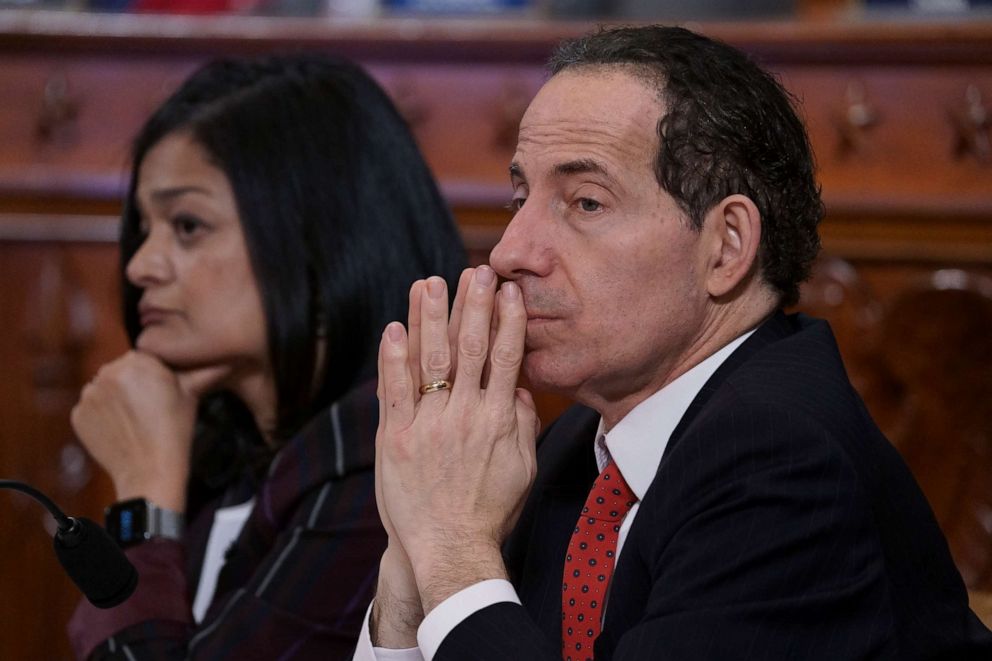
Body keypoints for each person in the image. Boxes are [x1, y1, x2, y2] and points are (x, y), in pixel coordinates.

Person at [361, 25, 992, 660]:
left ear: (726, 246)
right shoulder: (574, 448)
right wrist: (409, 566)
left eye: (584, 203)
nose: (510, 251)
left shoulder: (781, 459)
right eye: (520, 199)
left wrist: (452, 550)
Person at [67, 53, 466, 660]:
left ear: (318, 239)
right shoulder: (227, 442)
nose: (139, 266)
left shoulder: (384, 465)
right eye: (144, 228)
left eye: (188, 225)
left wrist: (143, 501)